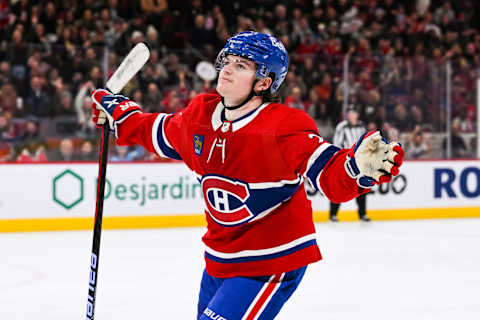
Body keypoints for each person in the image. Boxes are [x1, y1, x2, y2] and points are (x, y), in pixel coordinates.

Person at [90, 31, 404, 320]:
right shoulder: (199, 115)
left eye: (241, 65)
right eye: (226, 61)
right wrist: (119, 113)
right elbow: (154, 130)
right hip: (219, 258)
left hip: (270, 261)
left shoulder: (283, 126)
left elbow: (329, 175)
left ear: (264, 82)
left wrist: (355, 168)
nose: (226, 69)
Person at [329, 105, 370, 222]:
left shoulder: (361, 126)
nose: (352, 115)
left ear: (357, 115)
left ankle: (362, 214)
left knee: (361, 186)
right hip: (345, 161)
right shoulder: (342, 127)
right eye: (350, 113)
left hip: (360, 162)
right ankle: (333, 214)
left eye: (354, 113)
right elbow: (337, 143)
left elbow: (365, 142)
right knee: (339, 187)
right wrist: (341, 159)